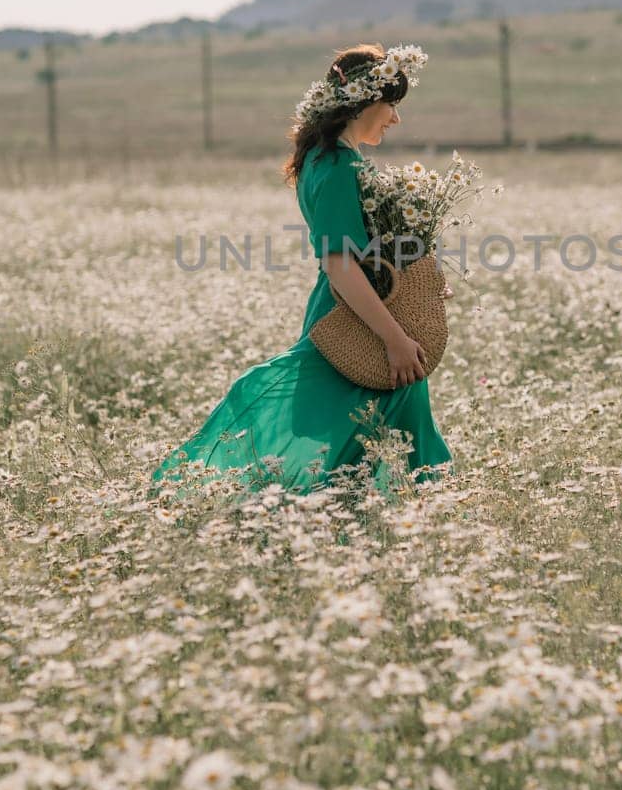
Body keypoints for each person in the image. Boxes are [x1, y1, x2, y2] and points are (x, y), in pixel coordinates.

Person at [149, 41, 453, 500]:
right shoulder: (336, 168)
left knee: (373, 438)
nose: (396, 119)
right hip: (359, 321)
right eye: (391, 105)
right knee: (357, 438)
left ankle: (375, 527)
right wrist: (394, 339)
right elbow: (340, 266)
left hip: (367, 313)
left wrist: (419, 286)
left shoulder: (328, 159)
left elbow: (368, 256)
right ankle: (215, 496)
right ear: (365, 102)